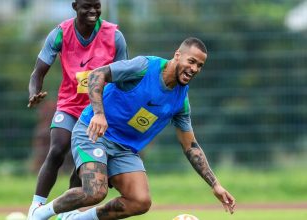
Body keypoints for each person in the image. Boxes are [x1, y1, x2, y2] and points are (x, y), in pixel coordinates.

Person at [30, 37, 236, 220]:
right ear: (177, 55)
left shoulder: (181, 101)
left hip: (125, 149)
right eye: (191, 61)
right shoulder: (144, 67)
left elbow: (190, 146)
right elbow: (96, 76)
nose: (194, 69)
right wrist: (99, 114)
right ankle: (40, 214)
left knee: (140, 201)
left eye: (200, 65)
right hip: (93, 133)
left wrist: (215, 185)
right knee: (95, 192)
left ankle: (76, 219)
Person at [26, 0, 128, 218]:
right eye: (87, 6)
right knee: (58, 149)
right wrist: (34, 92)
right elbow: (37, 72)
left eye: (97, 5)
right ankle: (36, 207)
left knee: (83, 163)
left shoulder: (114, 36)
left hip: (98, 112)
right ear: (74, 6)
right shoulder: (60, 34)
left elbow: (123, 77)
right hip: (69, 106)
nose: (93, 10)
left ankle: (66, 212)